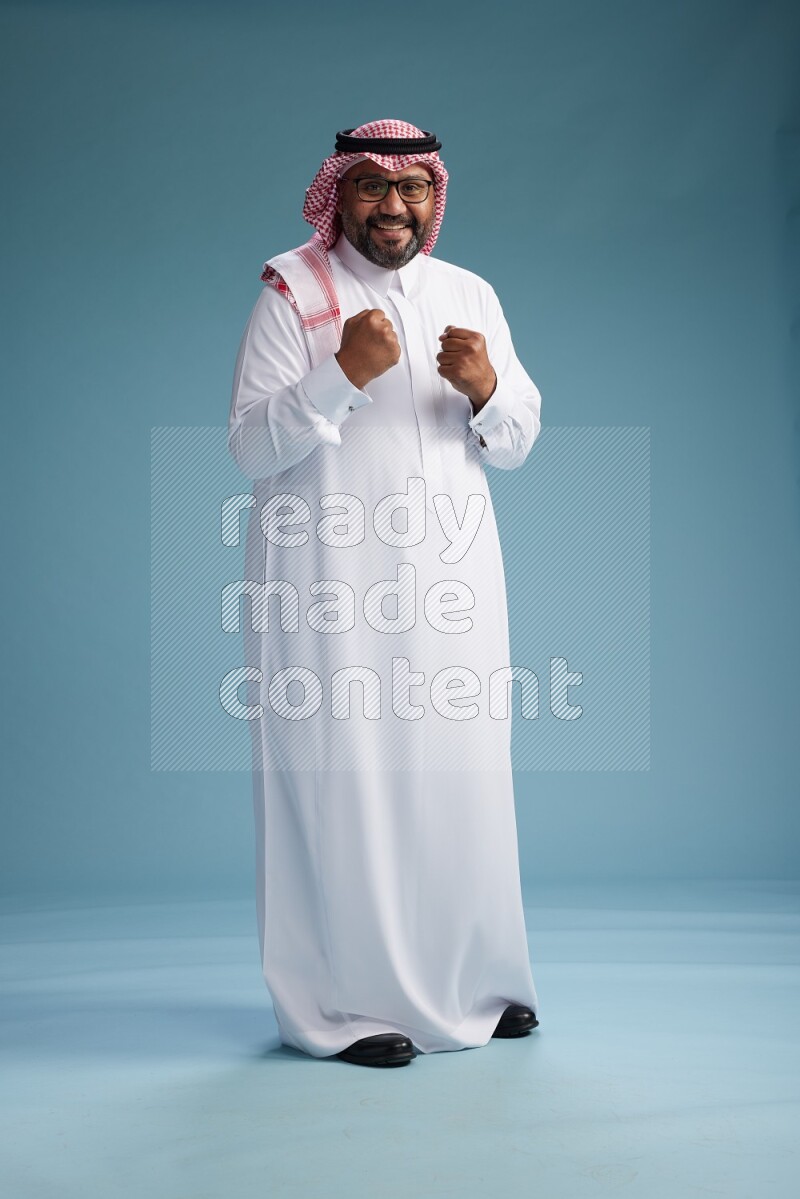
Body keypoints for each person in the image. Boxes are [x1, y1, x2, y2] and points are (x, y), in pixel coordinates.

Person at [227, 119, 543, 1068]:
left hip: (451, 578)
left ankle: (477, 986)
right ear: (340, 194)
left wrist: (488, 389)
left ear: (434, 199)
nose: (392, 206)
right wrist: (340, 376)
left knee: (462, 775)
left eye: (411, 190)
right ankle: (343, 1006)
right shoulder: (295, 288)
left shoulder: (468, 292)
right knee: (345, 783)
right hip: (328, 583)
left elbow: (520, 437)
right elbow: (250, 447)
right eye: (370, 187)